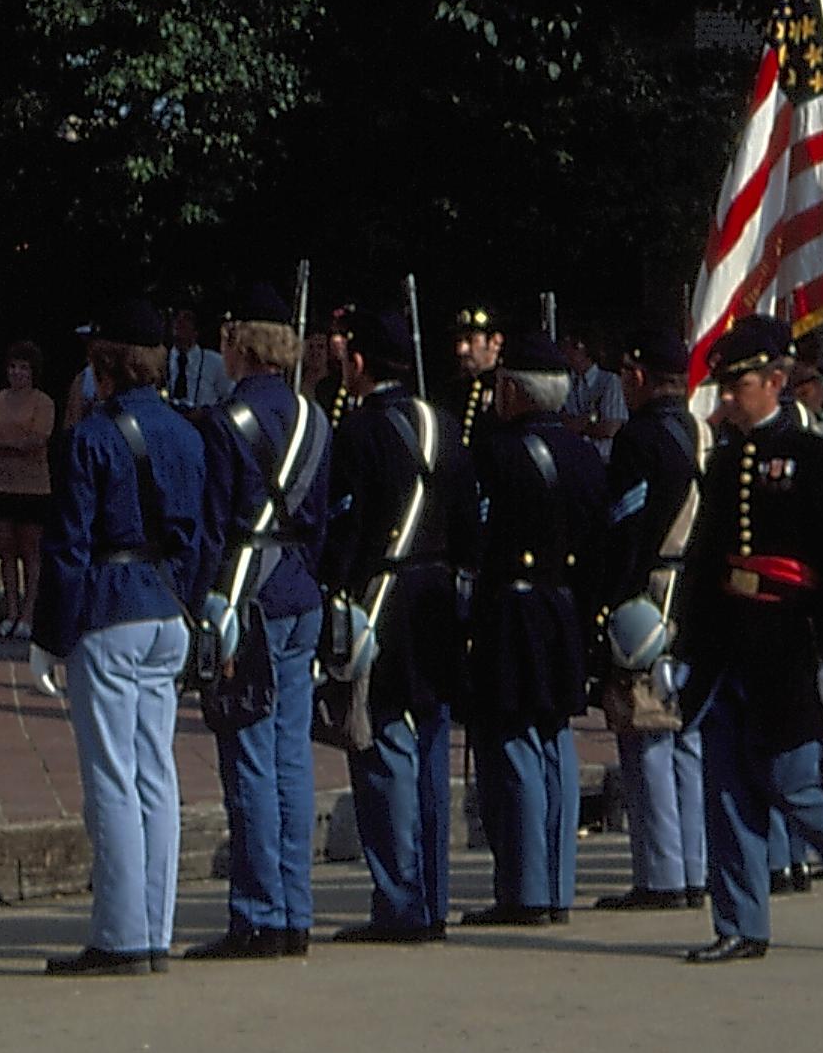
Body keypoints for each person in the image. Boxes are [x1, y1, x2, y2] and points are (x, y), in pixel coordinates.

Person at [670, 313, 823, 963]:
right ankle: (740, 924)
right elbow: (706, 559)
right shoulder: (729, 456)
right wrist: (680, 646)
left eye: (739, 386)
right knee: (728, 791)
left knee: (791, 783)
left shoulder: (818, 452)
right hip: (728, 645)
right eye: (724, 388)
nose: (729, 399)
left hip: (790, 642)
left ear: (775, 381)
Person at [31, 299, 213, 974]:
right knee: (156, 775)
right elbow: (200, 537)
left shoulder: (93, 437)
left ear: (104, 364)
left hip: (110, 606)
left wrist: (50, 633)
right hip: (166, 606)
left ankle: (120, 933)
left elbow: (70, 546)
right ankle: (154, 929)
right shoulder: (188, 434)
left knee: (111, 778)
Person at [320, 308, 479, 943]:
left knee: (382, 744)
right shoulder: (443, 423)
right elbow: (469, 518)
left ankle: (399, 902)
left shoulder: (358, 431)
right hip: (439, 592)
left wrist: (336, 588)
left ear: (358, 364)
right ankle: (432, 897)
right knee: (433, 747)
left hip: (383, 595)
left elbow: (347, 527)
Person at [184, 289, 333, 959]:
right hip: (301, 587)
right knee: (292, 759)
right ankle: (294, 910)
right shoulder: (314, 416)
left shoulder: (226, 421)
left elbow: (214, 523)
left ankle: (257, 915)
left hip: (247, 597)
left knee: (248, 760)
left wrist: (206, 602)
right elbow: (322, 518)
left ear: (242, 345)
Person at [459, 330, 610, 927]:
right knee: (554, 744)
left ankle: (524, 888)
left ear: (516, 392)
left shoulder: (497, 453)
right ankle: (557, 882)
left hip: (512, 608)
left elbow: (479, 535)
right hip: (564, 606)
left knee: (512, 741)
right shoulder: (580, 454)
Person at [591, 329, 710, 912]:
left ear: (637, 377)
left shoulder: (640, 437)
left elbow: (628, 526)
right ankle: (695, 866)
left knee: (645, 735)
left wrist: (611, 598)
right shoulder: (699, 429)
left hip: (653, 591)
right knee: (686, 734)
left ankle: (661, 874)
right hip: (695, 590)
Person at [0, 341, 57, 639]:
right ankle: (10, 610)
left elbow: (38, 437)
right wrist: (11, 444)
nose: (17, 373)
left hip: (33, 487)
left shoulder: (43, 402)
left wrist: (3, 443)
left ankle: (29, 614)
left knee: (30, 550)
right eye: (13, 367)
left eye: (23, 368)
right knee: (5, 547)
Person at [558, 329, 628, 446]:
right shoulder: (564, 382)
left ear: (588, 350)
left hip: (602, 458)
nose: (567, 351)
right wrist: (589, 420)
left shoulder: (609, 381)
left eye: (574, 347)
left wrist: (577, 425)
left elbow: (610, 428)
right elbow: (558, 420)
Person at [450, 305, 504, 454]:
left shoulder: (506, 388)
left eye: (470, 340)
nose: (461, 349)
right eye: (459, 341)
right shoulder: (457, 388)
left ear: (495, 342)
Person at [162, 305, 232, 412]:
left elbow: (229, 399)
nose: (180, 322)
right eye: (177, 317)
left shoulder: (215, 362)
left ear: (196, 331)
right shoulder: (161, 361)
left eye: (187, 318)